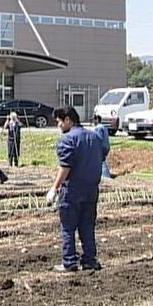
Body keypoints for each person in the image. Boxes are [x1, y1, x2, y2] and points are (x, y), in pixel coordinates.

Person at [46, 106, 104, 272]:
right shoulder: (95, 137)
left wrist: (54, 188)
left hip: (72, 190)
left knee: (68, 227)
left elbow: (65, 167)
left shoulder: (67, 139)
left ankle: (69, 261)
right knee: (87, 226)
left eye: (59, 122)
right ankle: (89, 260)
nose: (58, 126)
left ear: (67, 120)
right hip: (92, 189)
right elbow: (103, 155)